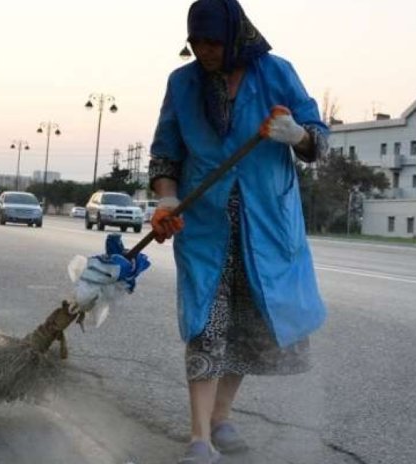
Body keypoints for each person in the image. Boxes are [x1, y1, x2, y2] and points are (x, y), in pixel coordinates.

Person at [147, 1, 329, 462]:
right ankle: (199, 438)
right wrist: (167, 198)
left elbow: (318, 139)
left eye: (213, 42)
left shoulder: (276, 73)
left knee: (250, 328)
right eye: (196, 43)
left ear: (235, 37)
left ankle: (221, 417)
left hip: (266, 224)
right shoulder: (181, 83)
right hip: (205, 225)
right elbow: (166, 153)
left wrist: (296, 134)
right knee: (206, 325)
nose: (205, 51)